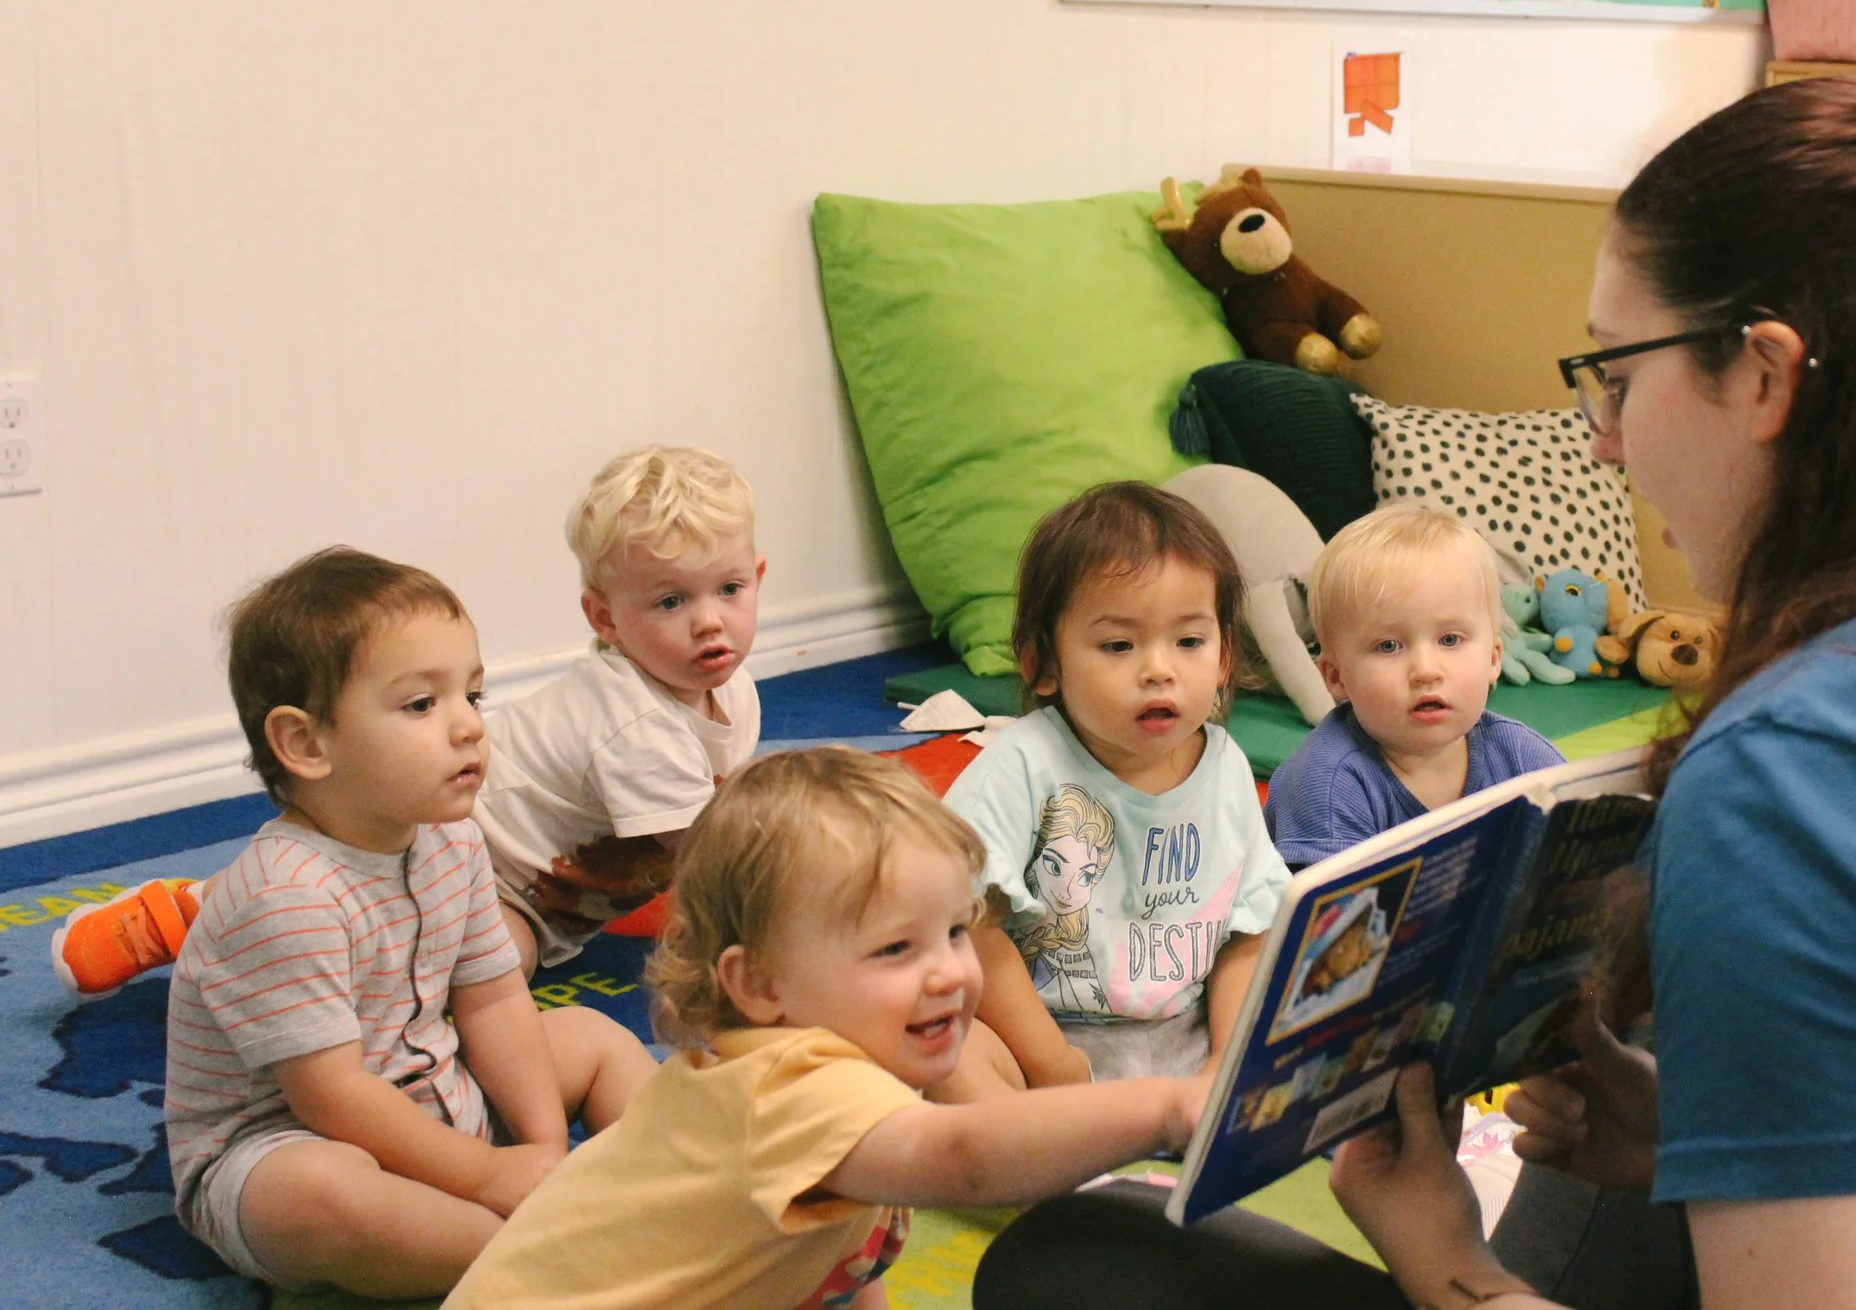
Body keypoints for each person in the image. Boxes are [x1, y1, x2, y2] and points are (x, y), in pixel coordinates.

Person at [977, 81, 1856, 1310]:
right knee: (1629, 1163)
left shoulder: (1810, 765)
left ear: (1767, 372)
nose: (1600, 444)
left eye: (1614, 375)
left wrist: (1448, 1264)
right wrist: (1686, 1147)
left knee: (1080, 1262)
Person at [444, 746, 1209, 1310]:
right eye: (894, 949)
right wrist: (1167, 1107)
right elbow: (967, 1156)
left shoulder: (855, 1082)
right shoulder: (793, 1085)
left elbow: (843, 1265)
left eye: (953, 931)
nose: (947, 971)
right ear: (760, 986)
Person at [165, 547, 656, 1299]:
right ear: (305, 743)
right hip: (291, 1140)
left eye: (473, 695)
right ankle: (544, 1257)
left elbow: (492, 998)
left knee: (594, 1038)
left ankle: (670, 1188)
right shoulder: (283, 895)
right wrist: (490, 1173)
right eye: (422, 704)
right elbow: (331, 1096)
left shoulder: (449, 836)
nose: (467, 728)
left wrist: (541, 1147)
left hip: (433, 1084)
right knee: (318, 1193)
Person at [941, 481, 1294, 1093]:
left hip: (1186, 1033)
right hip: (1041, 1037)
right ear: (1042, 665)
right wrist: (1052, 1064)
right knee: (953, 1054)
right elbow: (968, 928)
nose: (1159, 668)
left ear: (1224, 657)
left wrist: (1225, 1063)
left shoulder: (1228, 766)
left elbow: (1250, 932)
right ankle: (1036, 1158)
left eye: (1189, 641)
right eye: (1118, 645)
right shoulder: (1022, 767)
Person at [474, 445, 766, 978]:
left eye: (729, 589)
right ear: (604, 618)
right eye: (671, 602)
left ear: (758, 578)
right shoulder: (636, 727)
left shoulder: (736, 688)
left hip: (554, 902)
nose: (709, 622)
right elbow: (718, 864)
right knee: (494, 968)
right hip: (476, 871)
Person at [1264, 504, 1564, 870]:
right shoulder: (1326, 785)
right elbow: (1331, 923)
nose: (1425, 670)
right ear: (1335, 677)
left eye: (1450, 640)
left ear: (1493, 658)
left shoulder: (1522, 757)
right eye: (1388, 646)